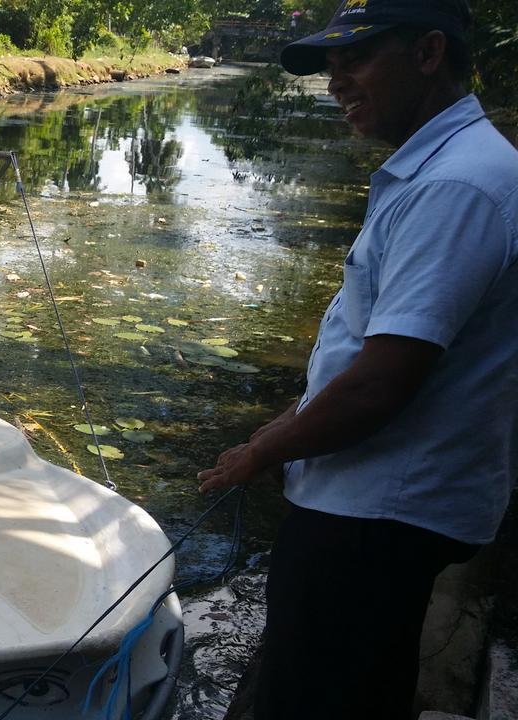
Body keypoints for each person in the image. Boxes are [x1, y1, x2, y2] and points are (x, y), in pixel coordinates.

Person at [198, 1, 518, 718]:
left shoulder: (454, 187)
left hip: (376, 515)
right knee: (356, 684)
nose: (336, 82)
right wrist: (277, 434)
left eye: (356, 60)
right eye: (331, 65)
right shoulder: (448, 168)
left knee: (317, 698)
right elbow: (369, 354)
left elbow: (380, 386)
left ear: (430, 53)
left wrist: (261, 453)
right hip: (378, 506)